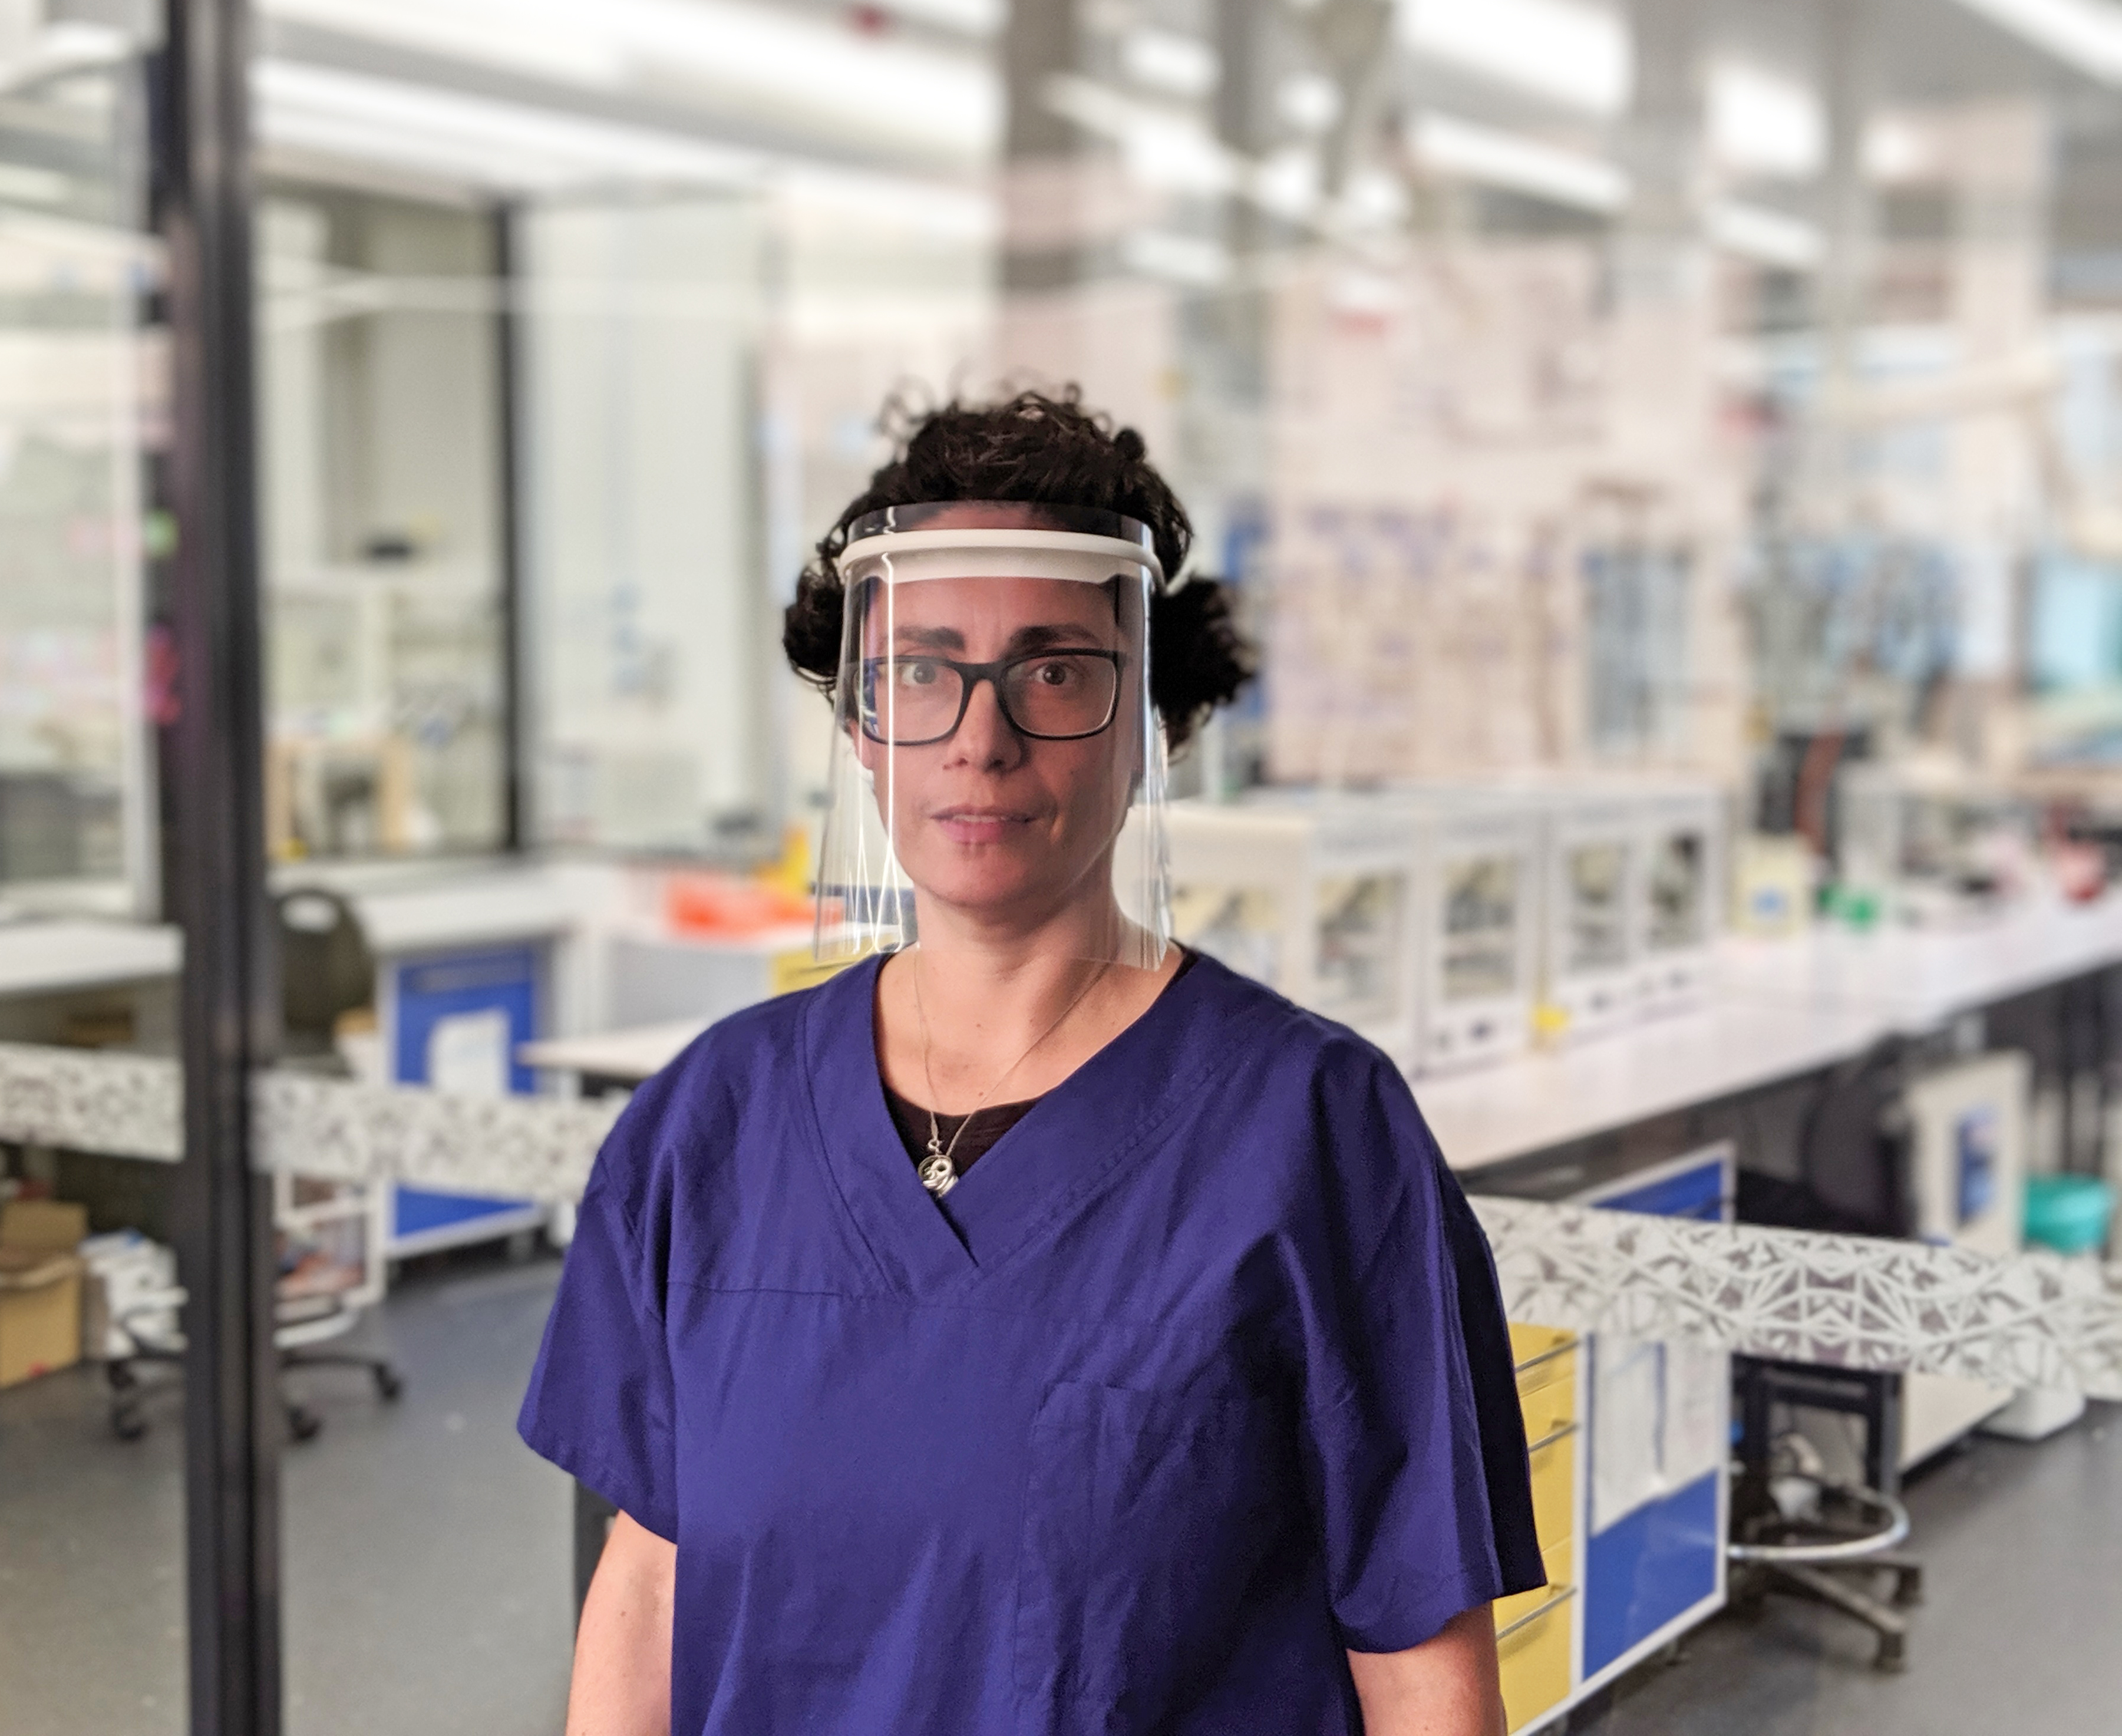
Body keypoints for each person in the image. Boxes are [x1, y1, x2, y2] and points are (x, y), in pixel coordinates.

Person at [520, 389, 1542, 1736]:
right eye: (921, 670)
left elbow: (1420, 1662)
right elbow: (652, 1579)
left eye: (1054, 671)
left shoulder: (1312, 1133)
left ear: (1152, 724)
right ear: (858, 724)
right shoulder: (711, 1124)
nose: (980, 738)